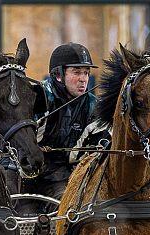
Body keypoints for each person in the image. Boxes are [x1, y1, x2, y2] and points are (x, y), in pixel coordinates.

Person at [30, 42, 98, 199]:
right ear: (58, 75)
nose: (83, 79)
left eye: (86, 73)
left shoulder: (94, 106)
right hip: (24, 173)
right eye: (76, 72)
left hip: (62, 177)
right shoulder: (37, 97)